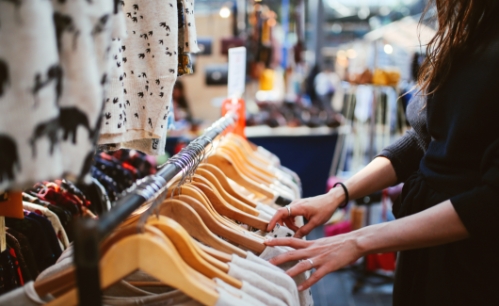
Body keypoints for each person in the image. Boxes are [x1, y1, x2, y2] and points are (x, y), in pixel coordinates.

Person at [265, 1, 499, 305]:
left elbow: (491, 201)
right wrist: (337, 195)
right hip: (424, 246)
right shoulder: (468, 30)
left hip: (471, 260)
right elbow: (426, 139)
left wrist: (359, 240)